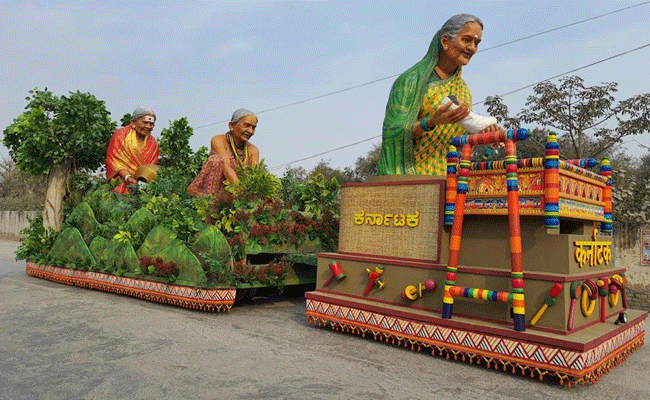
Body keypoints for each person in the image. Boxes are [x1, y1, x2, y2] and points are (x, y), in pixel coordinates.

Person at [378, 14, 500, 176]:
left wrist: (484, 133)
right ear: (445, 41)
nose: (472, 48)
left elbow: (458, 141)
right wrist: (431, 122)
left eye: (476, 43)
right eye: (466, 40)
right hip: (416, 177)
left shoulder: (463, 90)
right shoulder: (411, 81)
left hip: (453, 178)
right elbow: (393, 131)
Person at [187, 108, 260, 197]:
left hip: (237, 195)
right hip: (224, 191)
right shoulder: (218, 140)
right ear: (231, 126)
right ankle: (209, 202)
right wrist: (242, 193)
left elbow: (254, 176)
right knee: (216, 160)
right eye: (246, 126)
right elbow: (227, 169)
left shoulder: (253, 150)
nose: (250, 131)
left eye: (253, 127)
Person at [106, 108, 159, 194]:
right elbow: (114, 161)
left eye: (151, 124)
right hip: (122, 183)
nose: (148, 126)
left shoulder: (153, 143)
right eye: (145, 123)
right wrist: (128, 177)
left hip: (142, 187)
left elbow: (152, 168)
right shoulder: (120, 136)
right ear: (133, 123)